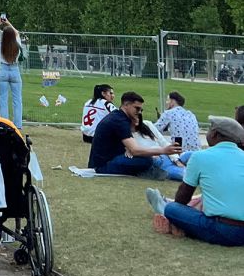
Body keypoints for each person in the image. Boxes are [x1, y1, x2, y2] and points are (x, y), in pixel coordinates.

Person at [146, 116, 244, 245]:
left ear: (214, 134)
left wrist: (177, 213)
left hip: (223, 230)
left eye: (209, 129)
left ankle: (175, 222)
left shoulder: (200, 156)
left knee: (172, 209)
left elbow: (183, 198)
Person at [88, 91, 183, 179]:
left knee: (147, 159)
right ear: (126, 105)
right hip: (104, 165)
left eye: (141, 109)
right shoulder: (120, 121)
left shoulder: (119, 118)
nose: (139, 112)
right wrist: (163, 150)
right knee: (146, 160)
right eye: (137, 108)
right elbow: (135, 150)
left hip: (108, 160)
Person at [0, 15, 24, 128]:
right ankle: (18, 125)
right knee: (17, 99)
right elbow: (17, 33)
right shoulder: (17, 44)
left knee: (3, 98)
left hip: (3, 70)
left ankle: (4, 123)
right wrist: (8, 22)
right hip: (15, 70)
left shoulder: (0, 45)